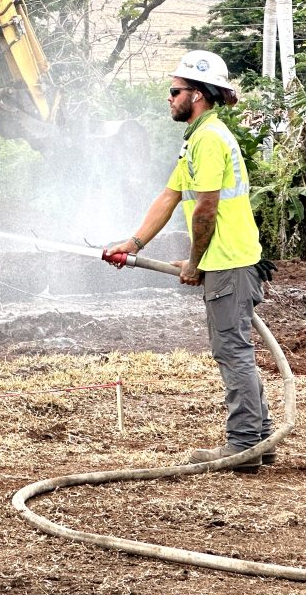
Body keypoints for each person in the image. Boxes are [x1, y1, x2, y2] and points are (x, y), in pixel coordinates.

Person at [104, 50, 275, 472]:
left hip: (229, 261)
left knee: (231, 350)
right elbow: (171, 196)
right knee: (235, 348)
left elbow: (206, 209)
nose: (169, 97)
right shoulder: (196, 138)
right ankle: (260, 441)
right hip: (225, 259)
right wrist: (134, 243)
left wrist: (195, 262)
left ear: (196, 95)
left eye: (175, 90)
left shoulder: (211, 139)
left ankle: (243, 445)